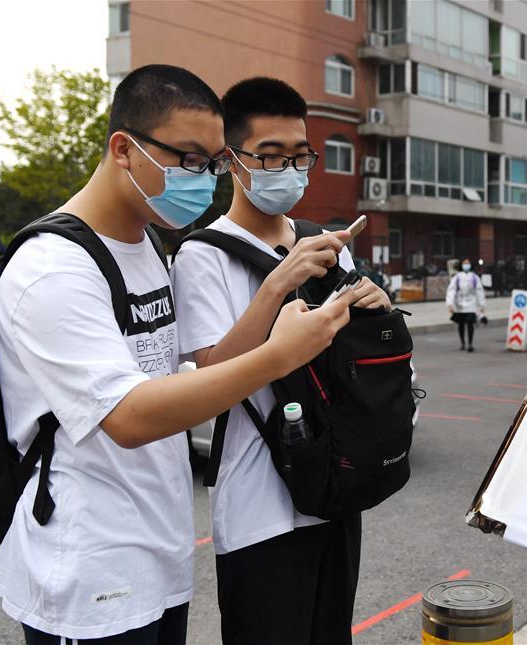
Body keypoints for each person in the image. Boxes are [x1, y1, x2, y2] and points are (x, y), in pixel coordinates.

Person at [0, 65, 352, 645]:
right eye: (187, 158)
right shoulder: (54, 269)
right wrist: (278, 355)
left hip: (157, 556)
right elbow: (129, 417)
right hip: (89, 573)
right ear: (124, 149)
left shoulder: (146, 245)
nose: (203, 178)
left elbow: (177, 378)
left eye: (211, 162)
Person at [169, 77, 389, 645]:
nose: (287, 170)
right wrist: (276, 284)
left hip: (334, 483)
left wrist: (376, 308)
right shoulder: (201, 253)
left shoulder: (321, 240)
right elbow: (214, 371)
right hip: (258, 506)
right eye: (269, 156)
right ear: (233, 161)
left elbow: (349, 358)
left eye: (299, 155)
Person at [446, 258, 486, 352]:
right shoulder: (457, 277)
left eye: (468, 263)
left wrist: (482, 305)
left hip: (471, 303)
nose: (466, 265)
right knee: (461, 324)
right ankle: (463, 343)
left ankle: (470, 344)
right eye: (465, 263)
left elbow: (479, 291)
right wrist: (450, 304)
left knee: (470, 323)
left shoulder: (474, 277)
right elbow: (451, 290)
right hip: (459, 304)